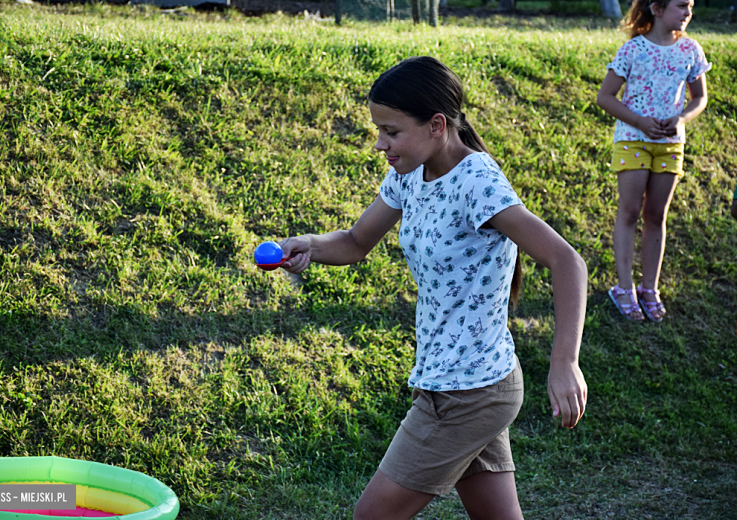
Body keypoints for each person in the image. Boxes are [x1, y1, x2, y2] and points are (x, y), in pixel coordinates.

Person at [278, 56, 588, 520]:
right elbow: (356, 241)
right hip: (464, 382)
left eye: (392, 131)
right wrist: (308, 245)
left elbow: (566, 261)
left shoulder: (477, 182)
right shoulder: (409, 175)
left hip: (468, 392)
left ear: (437, 124)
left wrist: (564, 363)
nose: (381, 144)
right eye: (378, 131)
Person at [597, 0, 710, 322]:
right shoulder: (633, 49)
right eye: (681, 6)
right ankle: (624, 287)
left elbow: (699, 97)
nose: (688, 13)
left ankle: (650, 289)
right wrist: (639, 121)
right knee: (630, 211)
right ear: (657, 9)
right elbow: (605, 97)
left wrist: (682, 118)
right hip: (633, 140)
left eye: (690, 6)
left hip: (671, 144)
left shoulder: (691, 49)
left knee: (656, 215)